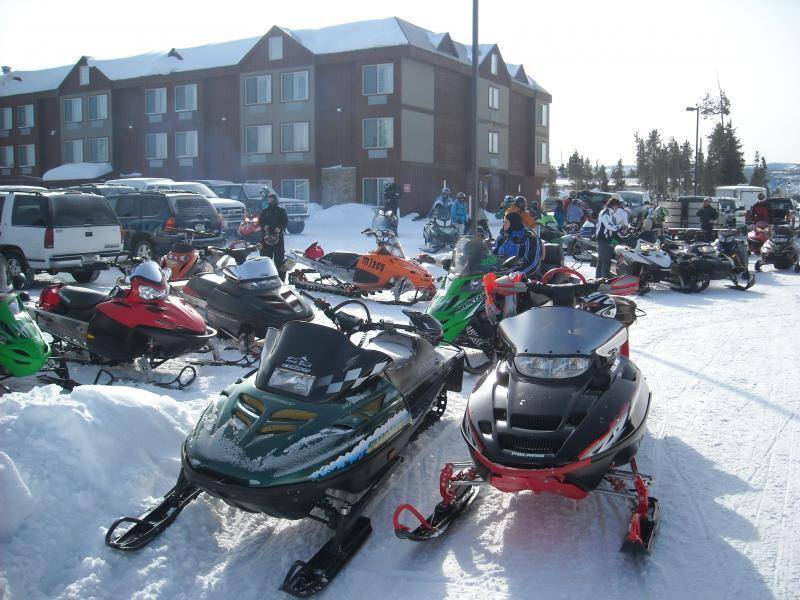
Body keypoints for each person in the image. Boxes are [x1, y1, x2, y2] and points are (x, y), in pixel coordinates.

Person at [493, 211, 543, 276]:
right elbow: (493, 257)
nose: (504, 224)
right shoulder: (502, 239)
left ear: (514, 223)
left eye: (506, 221)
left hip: (523, 280)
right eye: (503, 222)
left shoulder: (529, 238)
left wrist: (516, 275)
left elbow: (533, 264)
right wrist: (482, 266)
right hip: (500, 277)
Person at [258, 191, 289, 281]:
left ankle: (281, 280)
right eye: (269, 199)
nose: (270, 201)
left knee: (280, 261)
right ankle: (266, 278)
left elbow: (285, 221)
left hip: (278, 239)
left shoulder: (281, 211)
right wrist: (264, 226)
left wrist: (280, 228)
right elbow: (260, 222)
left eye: (271, 199)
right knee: (265, 261)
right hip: (266, 239)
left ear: (275, 200)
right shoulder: (265, 211)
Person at [595, 196, 622, 278]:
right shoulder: (606, 213)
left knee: (601, 260)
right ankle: (605, 278)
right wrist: (619, 228)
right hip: (603, 238)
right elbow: (609, 225)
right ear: (613, 205)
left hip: (607, 239)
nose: (617, 208)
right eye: (617, 206)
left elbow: (613, 226)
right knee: (606, 260)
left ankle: (599, 278)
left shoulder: (611, 213)